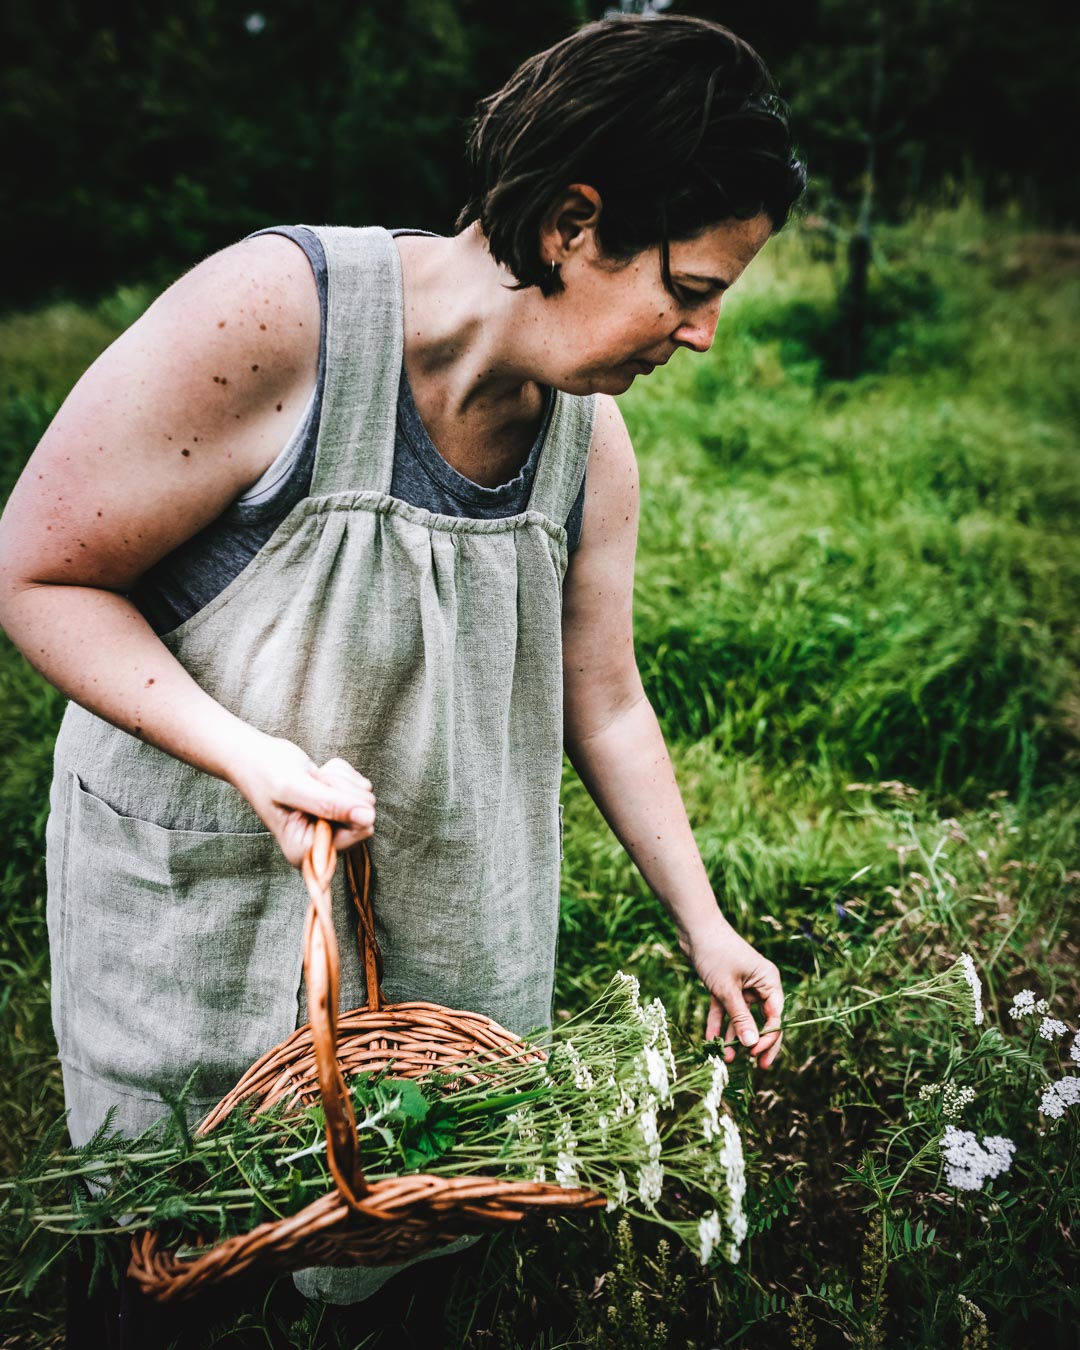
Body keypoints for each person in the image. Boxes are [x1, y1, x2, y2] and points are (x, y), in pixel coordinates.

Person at [0, 9, 805, 1336]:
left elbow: (604, 699)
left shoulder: (588, 453)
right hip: (200, 922)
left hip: (434, 963)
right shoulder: (278, 321)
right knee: (165, 1276)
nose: (704, 333)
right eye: (694, 285)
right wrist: (246, 754)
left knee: (409, 1285)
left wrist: (706, 923)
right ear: (575, 222)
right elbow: (39, 573)